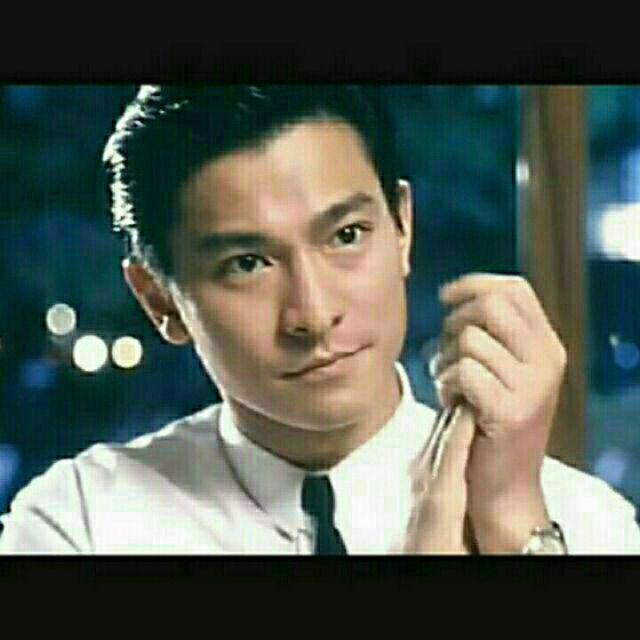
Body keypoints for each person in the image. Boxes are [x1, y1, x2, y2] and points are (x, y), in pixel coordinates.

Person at [1, 85, 638, 554]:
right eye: (247, 263)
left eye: (346, 235)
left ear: (403, 226)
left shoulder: (580, 521)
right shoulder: (80, 523)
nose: (313, 313)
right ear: (159, 300)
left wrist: (510, 525)